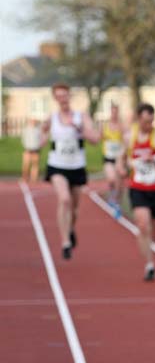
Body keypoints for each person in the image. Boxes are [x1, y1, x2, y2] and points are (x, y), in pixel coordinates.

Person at [117, 103, 155, 281]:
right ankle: (149, 264)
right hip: (139, 188)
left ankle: (150, 247)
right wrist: (121, 168)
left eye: (151, 121)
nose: (149, 125)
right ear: (139, 119)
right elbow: (120, 158)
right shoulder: (130, 136)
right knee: (143, 224)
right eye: (145, 122)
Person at [41, 83, 100, 259]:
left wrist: (78, 128)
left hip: (76, 166)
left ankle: (71, 228)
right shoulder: (51, 118)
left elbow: (95, 139)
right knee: (64, 200)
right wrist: (40, 138)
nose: (62, 99)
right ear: (55, 98)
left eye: (64, 95)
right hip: (57, 165)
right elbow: (41, 137)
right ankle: (65, 241)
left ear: (69, 96)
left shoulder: (81, 116)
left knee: (74, 209)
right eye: (58, 96)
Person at [101, 103, 125, 218]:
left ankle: (117, 204)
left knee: (119, 184)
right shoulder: (105, 125)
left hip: (119, 158)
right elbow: (99, 137)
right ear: (110, 112)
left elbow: (126, 140)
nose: (114, 114)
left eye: (116, 112)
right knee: (111, 179)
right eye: (112, 112)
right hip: (108, 157)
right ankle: (112, 195)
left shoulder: (122, 126)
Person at [21, 118, 41, 183]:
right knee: (26, 165)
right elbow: (23, 139)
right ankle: (25, 178)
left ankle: (34, 179)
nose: (33, 122)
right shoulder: (26, 130)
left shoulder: (38, 130)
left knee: (35, 165)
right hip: (28, 150)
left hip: (35, 150)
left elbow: (40, 140)